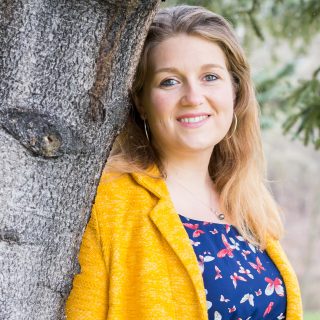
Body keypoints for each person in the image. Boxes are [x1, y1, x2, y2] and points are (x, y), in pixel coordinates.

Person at [65, 5, 302, 320]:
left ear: (235, 91)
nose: (193, 96)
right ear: (141, 101)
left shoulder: (249, 203)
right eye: (169, 82)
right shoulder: (107, 204)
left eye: (210, 77)